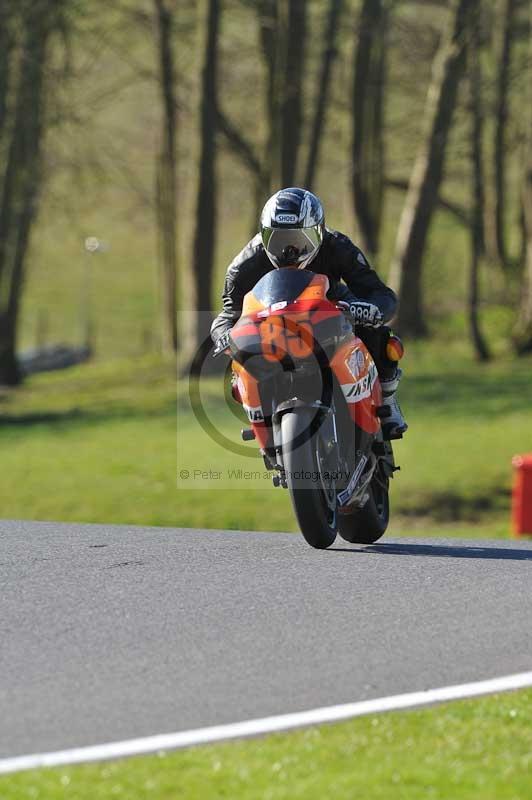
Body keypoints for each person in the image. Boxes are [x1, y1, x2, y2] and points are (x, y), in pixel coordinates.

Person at [211, 187, 407, 439]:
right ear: (263, 235)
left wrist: (371, 310)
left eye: (299, 240)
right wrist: (225, 335)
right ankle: (264, 422)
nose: (289, 250)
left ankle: (387, 400)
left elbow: (380, 294)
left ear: (319, 232)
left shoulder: (338, 246)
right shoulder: (245, 265)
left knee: (378, 332)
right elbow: (229, 314)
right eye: (278, 240)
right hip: (273, 326)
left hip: (331, 307)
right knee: (241, 363)